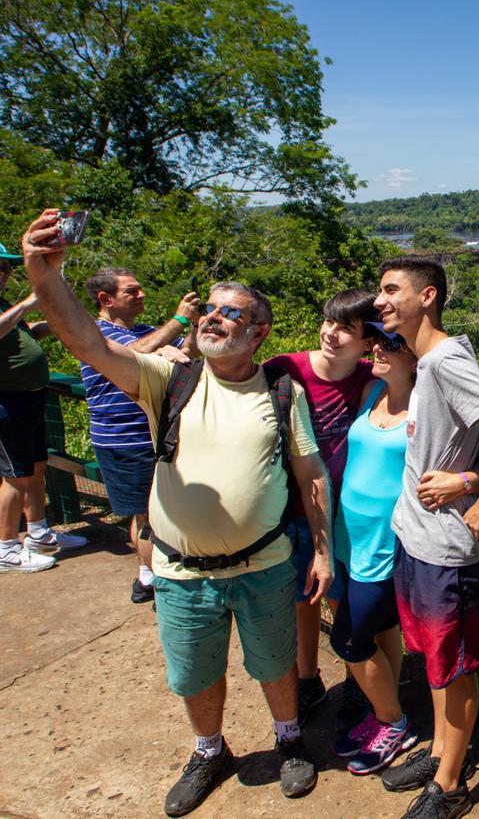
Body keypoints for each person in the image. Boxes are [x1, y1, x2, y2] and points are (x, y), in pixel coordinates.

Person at [21, 210, 330, 817]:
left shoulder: (281, 392)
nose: (212, 317)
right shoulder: (170, 379)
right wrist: (44, 274)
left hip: (265, 563)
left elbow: (309, 473)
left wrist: (322, 548)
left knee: (275, 663)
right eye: (208, 309)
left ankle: (289, 739)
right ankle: (209, 751)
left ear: (260, 331)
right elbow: (87, 341)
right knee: (194, 674)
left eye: (230, 311)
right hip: (183, 570)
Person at [373, 256, 479, 819]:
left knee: (457, 668)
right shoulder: (423, 362)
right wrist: (468, 474)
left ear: (428, 296)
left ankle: (451, 785)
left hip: (447, 551)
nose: (380, 300)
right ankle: (443, 751)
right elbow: (476, 443)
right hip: (415, 539)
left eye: (392, 290)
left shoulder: (445, 359)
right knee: (436, 663)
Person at [330, 321, 479, 777]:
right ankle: (402, 723)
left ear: (414, 359)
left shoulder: (429, 407)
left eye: (391, 344)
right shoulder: (371, 393)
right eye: (377, 342)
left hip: (391, 547)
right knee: (381, 634)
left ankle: (393, 724)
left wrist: (465, 483)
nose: (378, 349)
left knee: (348, 638)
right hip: (350, 542)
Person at [264, 289, 376, 724]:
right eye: (329, 321)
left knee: (342, 602)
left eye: (346, 328)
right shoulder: (284, 369)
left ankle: (358, 681)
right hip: (289, 507)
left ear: (368, 342)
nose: (331, 333)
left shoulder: (372, 378)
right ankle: (308, 680)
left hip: (343, 517)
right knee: (302, 598)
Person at [81, 266, 200, 602]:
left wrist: (191, 328)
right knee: (146, 516)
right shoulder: (97, 334)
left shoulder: (147, 331)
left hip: (155, 437)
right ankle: (155, 583)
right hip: (124, 440)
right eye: (131, 291)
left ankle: (150, 577)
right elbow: (136, 352)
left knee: (162, 511)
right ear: (106, 299)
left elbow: (186, 353)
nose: (141, 295)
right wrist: (177, 320)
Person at [1, 242, 88, 574]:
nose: (7, 274)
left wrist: (52, 322)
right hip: (7, 401)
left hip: (29, 397)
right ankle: (6, 548)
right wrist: (27, 304)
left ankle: (38, 534)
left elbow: (21, 332)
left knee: (36, 468)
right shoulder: (10, 306)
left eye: (8, 268)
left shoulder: (4, 303)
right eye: (2, 268)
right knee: (14, 477)